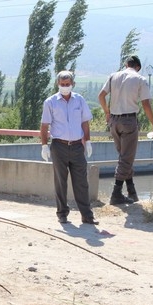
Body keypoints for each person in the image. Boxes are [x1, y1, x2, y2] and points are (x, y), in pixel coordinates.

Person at [98, 55, 153, 205]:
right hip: (129, 120)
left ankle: (132, 192)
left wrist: (107, 112)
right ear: (138, 67)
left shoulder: (113, 76)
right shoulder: (140, 79)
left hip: (114, 121)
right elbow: (146, 104)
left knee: (124, 157)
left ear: (126, 64)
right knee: (126, 158)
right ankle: (116, 192)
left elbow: (101, 96)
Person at [40, 70, 98, 225]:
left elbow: (85, 121)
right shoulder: (50, 102)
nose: (65, 87)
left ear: (73, 84)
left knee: (81, 182)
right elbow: (44, 125)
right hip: (59, 146)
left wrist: (88, 141)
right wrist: (44, 145)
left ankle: (87, 215)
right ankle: (62, 214)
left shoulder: (79, 100)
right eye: (62, 84)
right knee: (60, 181)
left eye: (67, 84)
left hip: (77, 146)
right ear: (58, 84)